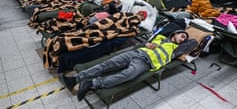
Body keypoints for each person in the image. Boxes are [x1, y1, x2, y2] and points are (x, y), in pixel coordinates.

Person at [61, 30, 198, 101]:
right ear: (175, 33)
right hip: (136, 53)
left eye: (184, 38)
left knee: (128, 75)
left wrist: (185, 37)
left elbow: (193, 42)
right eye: (181, 35)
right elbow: (146, 43)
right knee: (107, 64)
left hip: (145, 63)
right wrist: (146, 44)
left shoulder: (175, 50)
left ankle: (92, 83)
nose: (183, 38)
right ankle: (75, 78)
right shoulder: (160, 37)